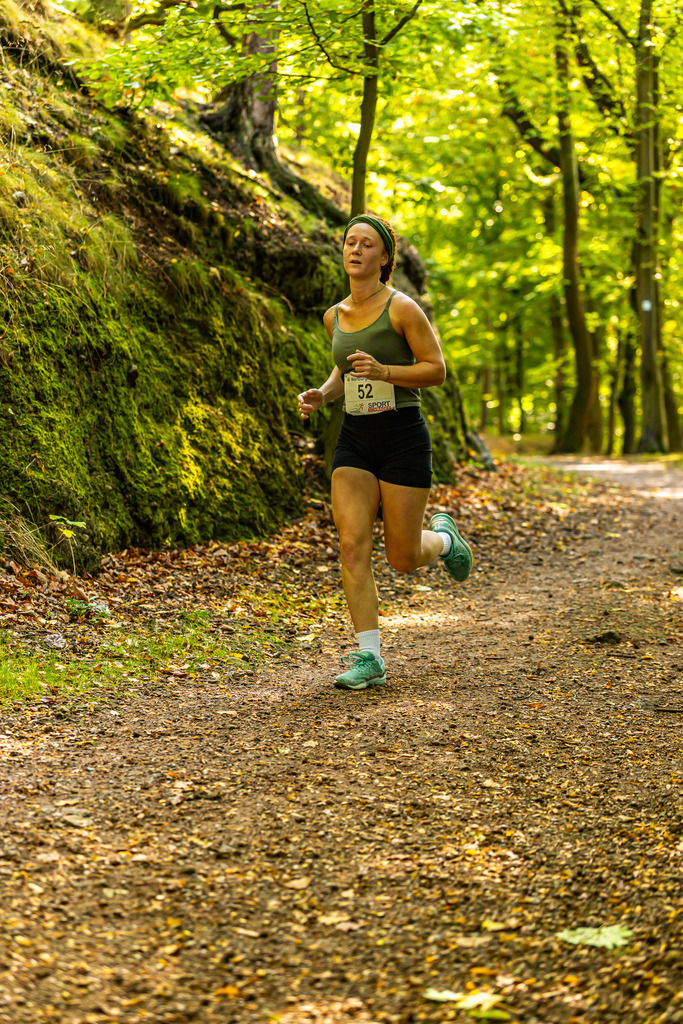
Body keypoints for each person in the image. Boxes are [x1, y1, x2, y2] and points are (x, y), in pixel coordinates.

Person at [297, 215, 472, 692]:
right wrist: (322, 394)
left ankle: (445, 540)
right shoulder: (334, 315)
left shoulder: (403, 309)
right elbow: (344, 371)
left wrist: (385, 371)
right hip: (355, 438)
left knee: (403, 556)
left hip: (402, 436)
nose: (355, 249)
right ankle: (368, 656)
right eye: (350, 242)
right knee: (352, 545)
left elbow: (435, 371)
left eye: (367, 244)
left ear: (384, 257)